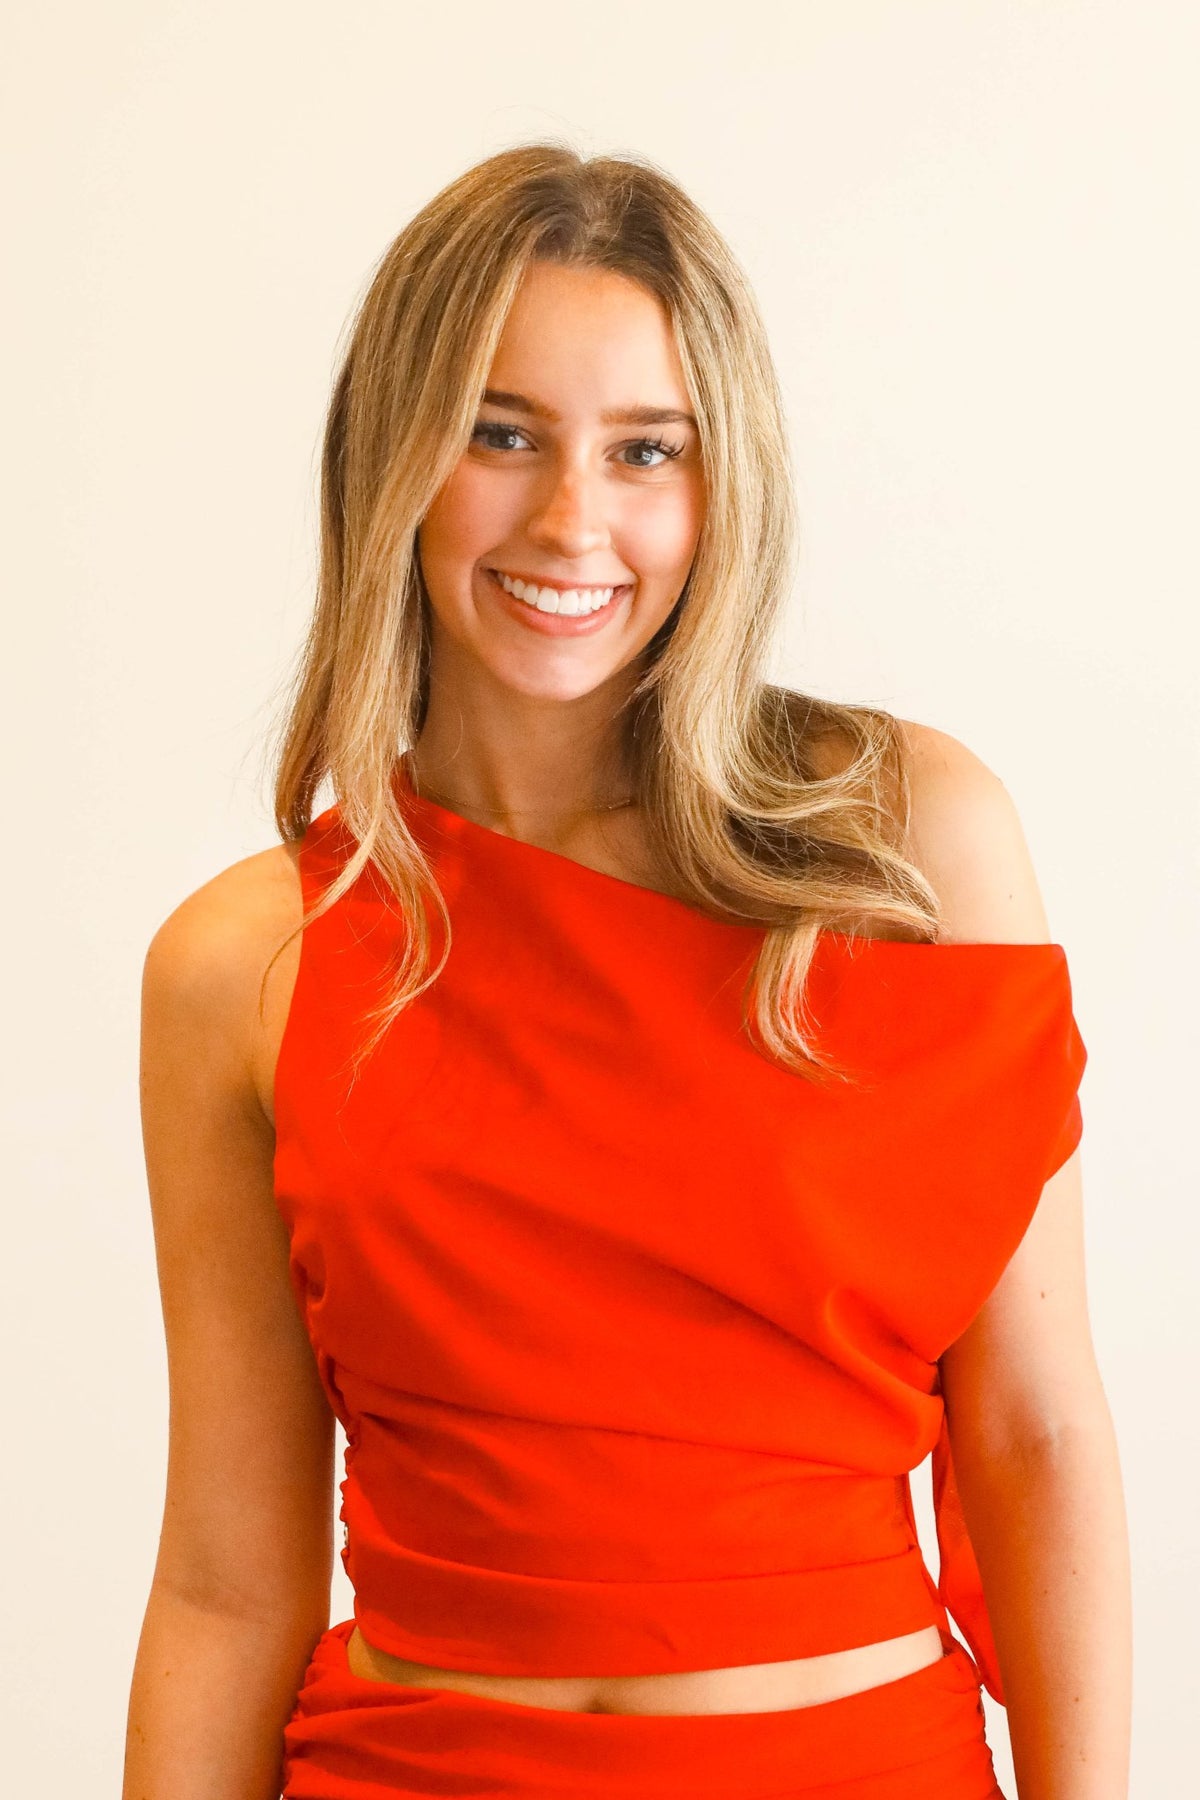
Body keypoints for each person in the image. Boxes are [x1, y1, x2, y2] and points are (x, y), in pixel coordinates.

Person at [125, 144, 1131, 1799]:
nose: (572, 520)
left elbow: (1037, 1434)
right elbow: (227, 1587)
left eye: (646, 449)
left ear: (723, 484)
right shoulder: (244, 962)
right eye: (499, 432)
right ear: (392, 456)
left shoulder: (907, 848)